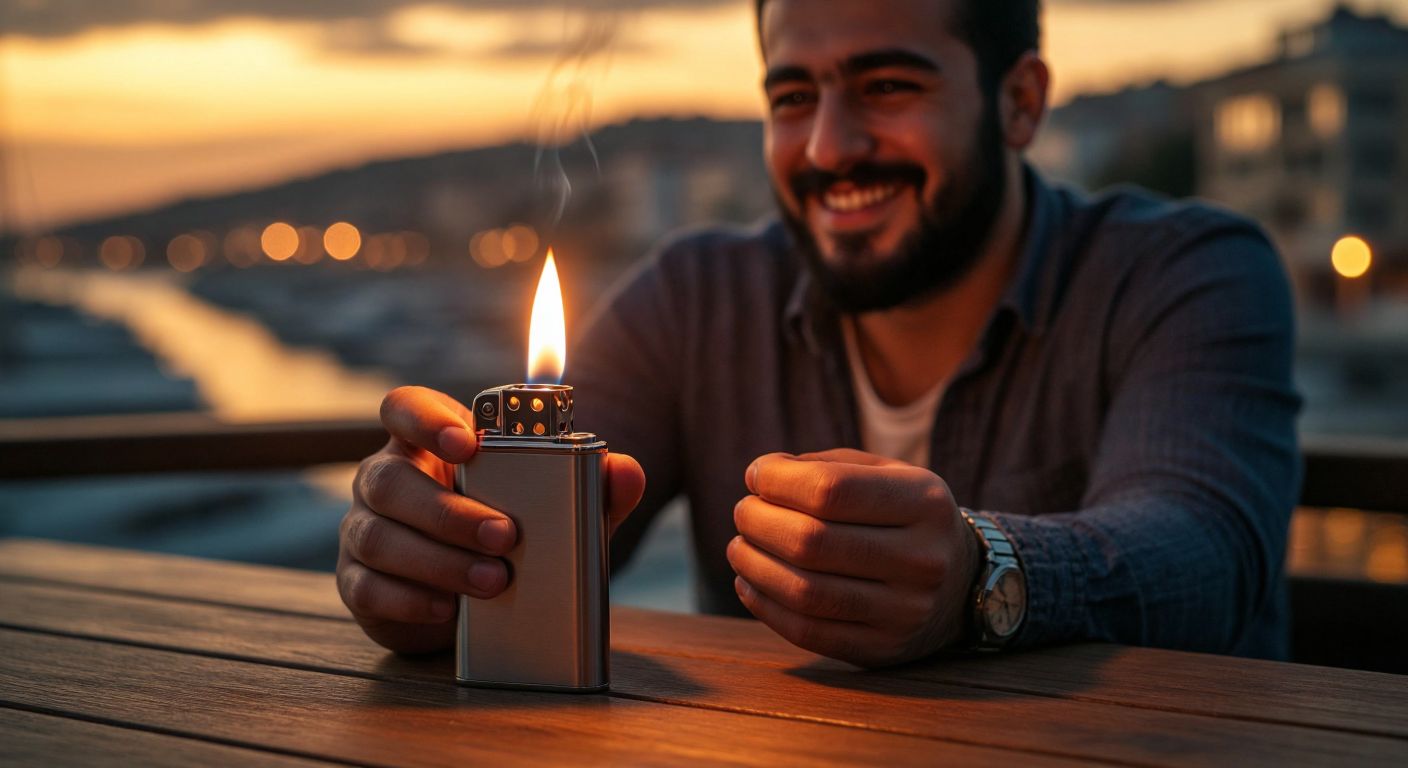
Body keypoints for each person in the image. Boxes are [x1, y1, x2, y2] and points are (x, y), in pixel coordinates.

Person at [337, 0, 1300, 665]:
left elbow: (1205, 549)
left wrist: (983, 571)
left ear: (1021, 101)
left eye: (886, 86)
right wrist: (434, 561)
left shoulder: (1188, 270)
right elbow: (527, 546)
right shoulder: (694, 297)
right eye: (792, 98)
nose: (829, 147)